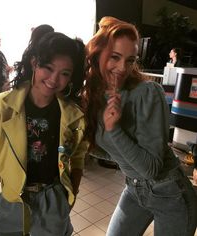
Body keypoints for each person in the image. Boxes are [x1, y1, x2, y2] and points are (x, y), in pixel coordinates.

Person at [82, 16, 197, 236]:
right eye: (114, 57)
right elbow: (116, 153)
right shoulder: (96, 96)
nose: (122, 68)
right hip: (135, 189)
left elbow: (151, 168)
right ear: (98, 54)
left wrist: (115, 130)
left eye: (130, 60)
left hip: (171, 193)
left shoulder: (146, 93)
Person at [0, 31, 88, 235]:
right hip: (11, 201)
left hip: (52, 200)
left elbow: (78, 158)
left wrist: (68, 198)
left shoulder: (73, 115)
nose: (55, 79)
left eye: (65, 73)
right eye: (48, 68)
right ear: (34, 63)